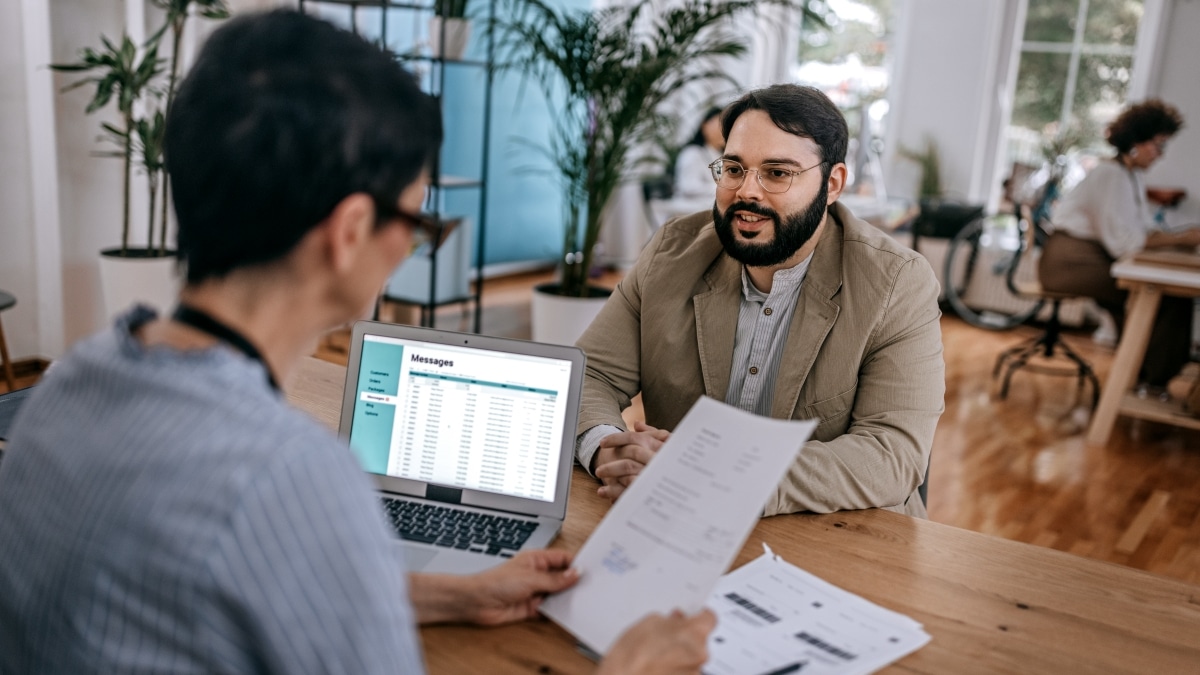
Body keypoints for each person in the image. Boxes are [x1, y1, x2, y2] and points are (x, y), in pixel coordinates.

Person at [0, 10, 714, 673]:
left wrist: (449, 594)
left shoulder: (66, 386)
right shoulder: (292, 476)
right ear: (347, 234)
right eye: (416, 220)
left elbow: (204, 591)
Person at [576, 84, 944, 518]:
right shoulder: (672, 253)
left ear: (832, 184)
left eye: (777, 173)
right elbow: (589, 374)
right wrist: (606, 450)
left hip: (837, 539)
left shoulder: (897, 282)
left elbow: (892, 455)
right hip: (675, 521)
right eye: (734, 168)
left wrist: (717, 477)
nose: (747, 192)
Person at [1039, 99, 1200, 391]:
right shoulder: (1110, 175)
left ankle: (1144, 373)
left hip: (1091, 258)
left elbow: (1144, 232)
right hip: (1069, 263)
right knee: (1160, 293)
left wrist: (1178, 240)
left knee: (1162, 294)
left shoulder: (1132, 177)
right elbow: (1127, 245)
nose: (1161, 155)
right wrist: (1182, 239)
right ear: (1137, 141)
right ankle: (1151, 379)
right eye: (1159, 145)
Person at [674, 106, 726, 199]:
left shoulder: (722, 155)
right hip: (693, 208)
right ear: (704, 126)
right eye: (720, 124)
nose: (724, 130)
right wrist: (724, 188)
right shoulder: (692, 153)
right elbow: (688, 187)